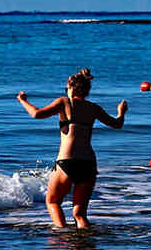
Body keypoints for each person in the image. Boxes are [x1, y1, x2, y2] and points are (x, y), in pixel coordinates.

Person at [17, 69, 127, 229]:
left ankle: (62, 236)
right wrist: (121, 112)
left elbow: (36, 114)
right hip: (89, 163)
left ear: (72, 89)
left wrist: (22, 100)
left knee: (53, 201)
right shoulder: (94, 108)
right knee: (79, 214)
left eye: (67, 88)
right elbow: (117, 124)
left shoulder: (64, 102)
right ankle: (86, 245)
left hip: (67, 161)